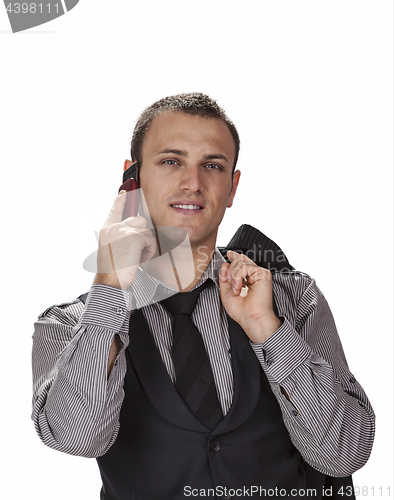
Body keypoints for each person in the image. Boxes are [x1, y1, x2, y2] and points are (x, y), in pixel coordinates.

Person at [32, 93, 375, 500]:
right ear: (133, 180)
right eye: (171, 161)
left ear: (232, 187)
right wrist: (109, 289)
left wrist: (268, 331)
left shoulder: (292, 297)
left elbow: (344, 453)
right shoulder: (68, 325)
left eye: (212, 166)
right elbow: (77, 437)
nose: (192, 183)